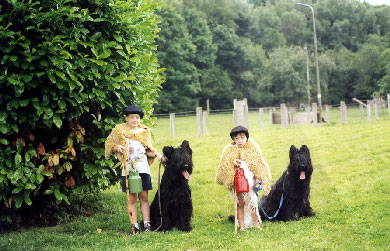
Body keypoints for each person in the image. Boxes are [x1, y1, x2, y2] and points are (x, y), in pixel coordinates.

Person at [105, 105, 163, 235]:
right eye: (132, 117)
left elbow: (148, 149)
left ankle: (147, 224)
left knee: (144, 197)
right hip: (128, 169)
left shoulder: (144, 131)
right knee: (131, 199)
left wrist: (157, 154)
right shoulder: (119, 131)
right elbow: (110, 143)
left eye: (137, 117)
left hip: (142, 169)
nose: (135, 120)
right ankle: (134, 226)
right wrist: (117, 147)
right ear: (126, 118)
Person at [216, 126, 272, 230]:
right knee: (239, 202)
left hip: (249, 181)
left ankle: (256, 224)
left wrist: (257, 179)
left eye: (242, 137)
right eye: (236, 138)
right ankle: (241, 226)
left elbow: (258, 165)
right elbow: (225, 165)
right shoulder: (229, 150)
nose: (239, 140)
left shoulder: (252, 148)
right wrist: (233, 164)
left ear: (246, 137)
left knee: (252, 201)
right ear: (233, 139)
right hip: (237, 181)